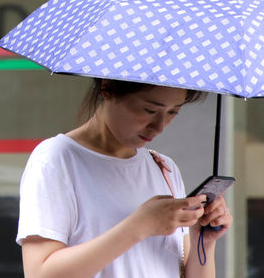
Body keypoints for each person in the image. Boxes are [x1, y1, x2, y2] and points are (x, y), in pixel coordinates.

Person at [17, 78, 232, 278]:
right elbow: (39, 272)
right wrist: (139, 226)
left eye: (173, 112)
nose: (159, 126)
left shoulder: (164, 169)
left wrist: (203, 240)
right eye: (149, 110)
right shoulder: (56, 160)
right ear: (107, 87)